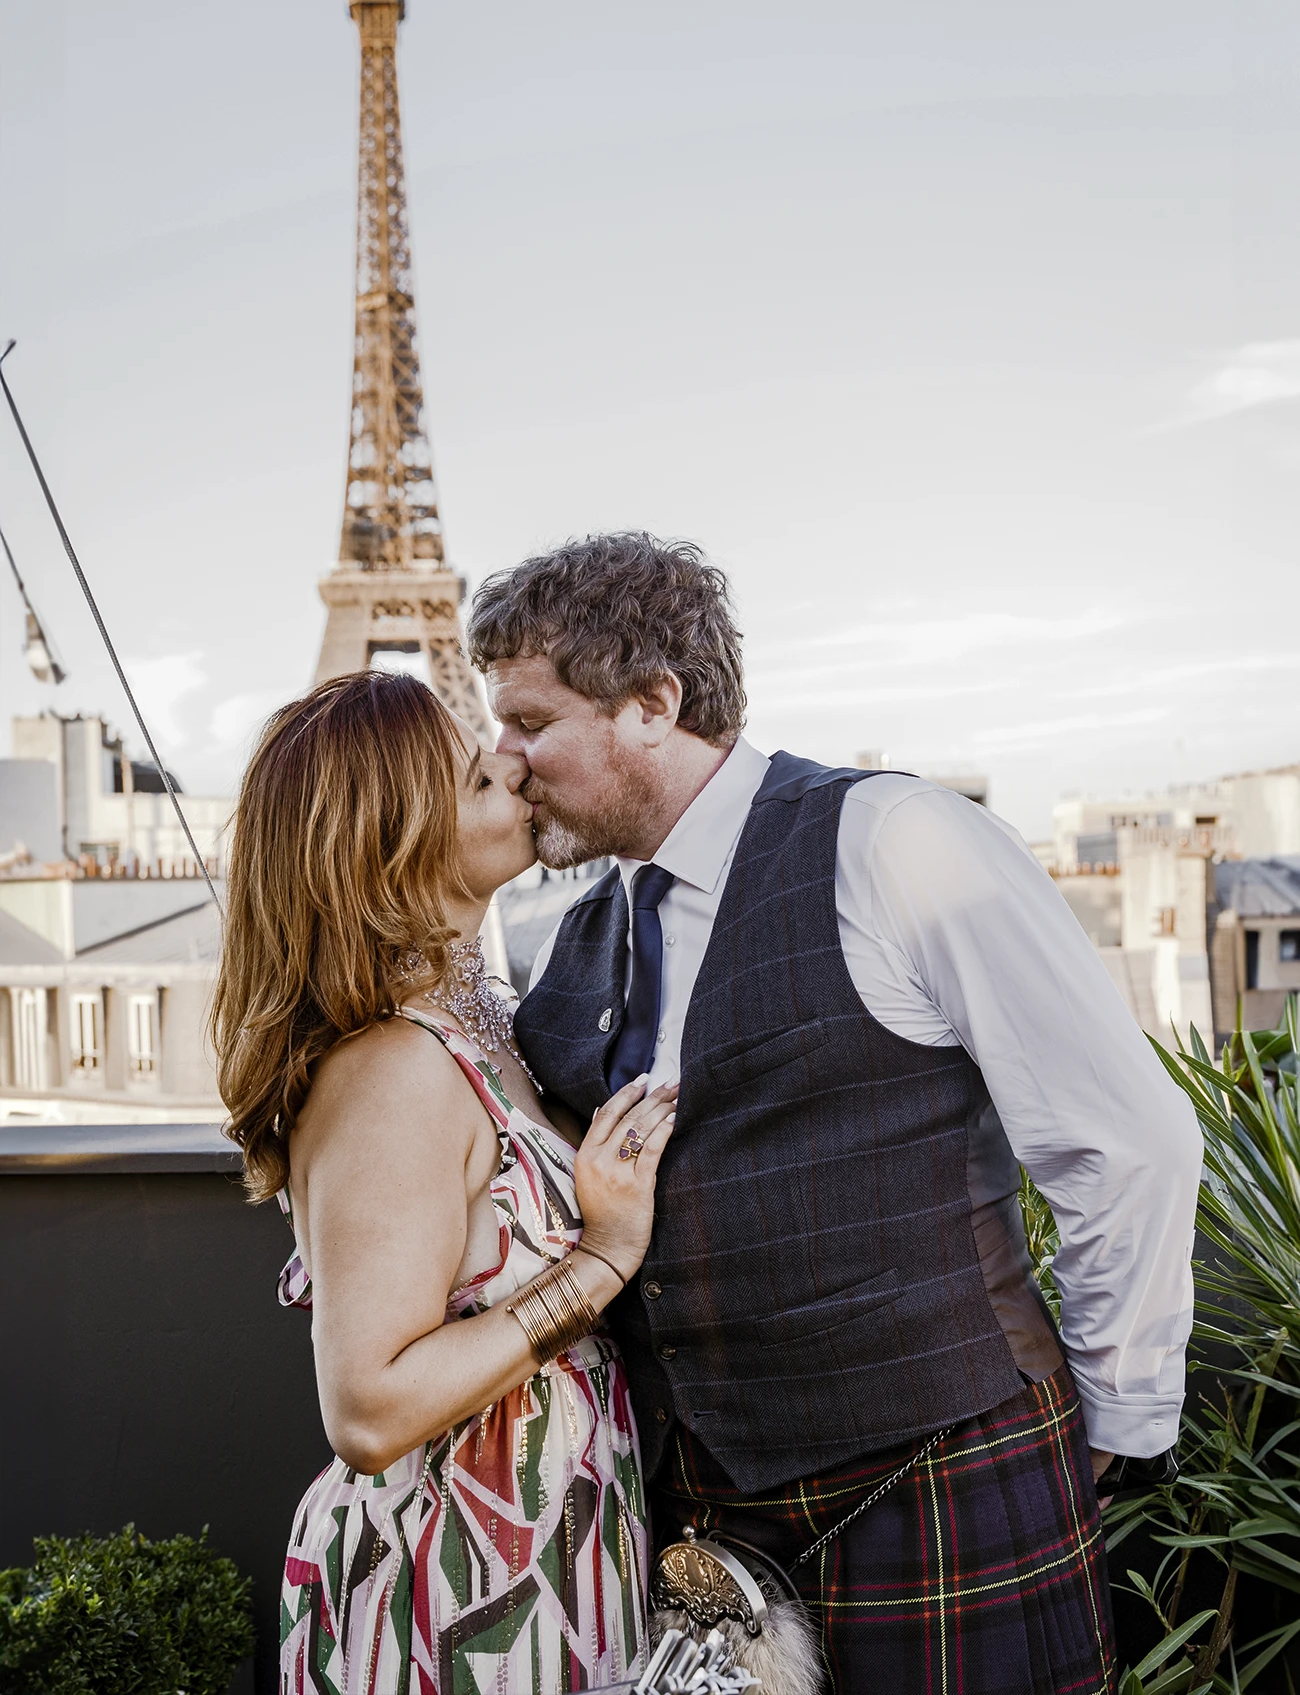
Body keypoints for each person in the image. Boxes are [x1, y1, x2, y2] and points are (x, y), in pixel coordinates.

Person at [467, 532, 1204, 1695]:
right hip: (694, 1522)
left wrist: (1116, 1421)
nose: (500, 762)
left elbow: (1127, 1142)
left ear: (654, 701)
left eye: (526, 723)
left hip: (948, 1477)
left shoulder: (897, 841)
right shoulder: (574, 939)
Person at [213, 671, 675, 1694]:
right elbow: (369, 1409)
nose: (513, 765)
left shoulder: (483, 1026)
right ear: (398, 850)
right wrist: (599, 1261)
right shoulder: (394, 1071)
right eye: (476, 779)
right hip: (459, 1587)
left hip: (541, 1553)